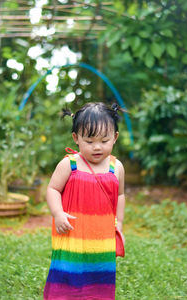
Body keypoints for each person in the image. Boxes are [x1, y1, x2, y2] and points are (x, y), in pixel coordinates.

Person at [43, 102, 125, 300]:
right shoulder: (69, 164)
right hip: (73, 233)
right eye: (89, 141)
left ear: (115, 137)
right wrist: (58, 213)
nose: (97, 147)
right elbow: (53, 189)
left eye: (104, 140)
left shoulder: (116, 167)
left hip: (102, 235)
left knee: (98, 272)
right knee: (68, 272)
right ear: (76, 138)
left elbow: (120, 195)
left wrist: (119, 223)